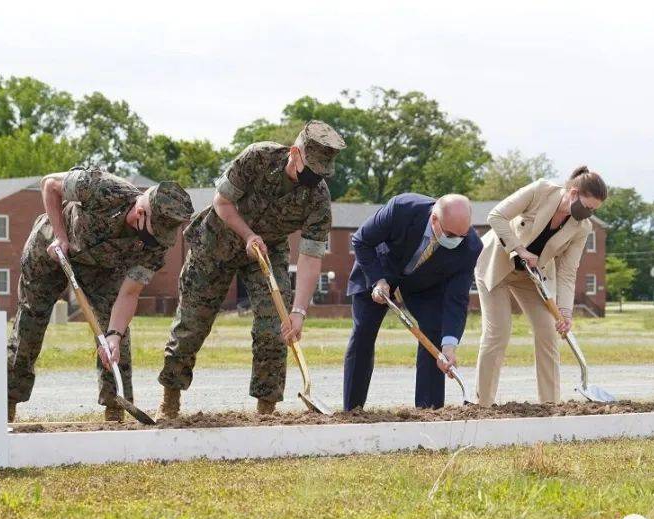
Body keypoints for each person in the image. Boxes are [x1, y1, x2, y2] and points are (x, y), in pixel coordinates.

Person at [157, 120, 346, 418]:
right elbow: (222, 202)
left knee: (276, 328)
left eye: (321, 174)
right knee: (191, 325)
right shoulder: (257, 158)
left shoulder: (318, 197)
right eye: (311, 170)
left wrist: (298, 312)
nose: (314, 178)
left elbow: (311, 256)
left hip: (266, 253)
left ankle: (266, 410)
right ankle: (170, 399)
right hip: (216, 243)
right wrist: (247, 235)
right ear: (294, 153)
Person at [7, 168, 193, 422]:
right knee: (29, 326)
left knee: (116, 338)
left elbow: (129, 294)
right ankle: (6, 403)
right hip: (51, 252)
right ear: (140, 213)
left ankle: (115, 409)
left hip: (101, 270)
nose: (156, 241)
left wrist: (114, 335)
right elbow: (49, 184)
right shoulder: (103, 188)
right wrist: (60, 236)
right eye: (153, 233)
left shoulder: (157, 246)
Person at [474, 166, 607, 405]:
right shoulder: (541, 191)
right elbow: (495, 216)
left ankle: (550, 404)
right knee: (498, 333)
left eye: (594, 211)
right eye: (587, 207)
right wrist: (519, 248)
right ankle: (483, 404)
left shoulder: (581, 228)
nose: (588, 214)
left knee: (548, 332)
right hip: (497, 266)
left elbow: (567, 272)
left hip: (532, 277)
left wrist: (565, 312)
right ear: (574, 193)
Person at [343, 194, 482, 410]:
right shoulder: (402, 209)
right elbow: (361, 241)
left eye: (461, 235)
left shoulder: (470, 247)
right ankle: (352, 409)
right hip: (379, 268)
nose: (456, 240)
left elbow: (457, 299)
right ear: (434, 219)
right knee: (363, 333)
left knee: (434, 334)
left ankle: (429, 412)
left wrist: (449, 346)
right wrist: (378, 281)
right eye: (450, 234)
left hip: (424, 285)